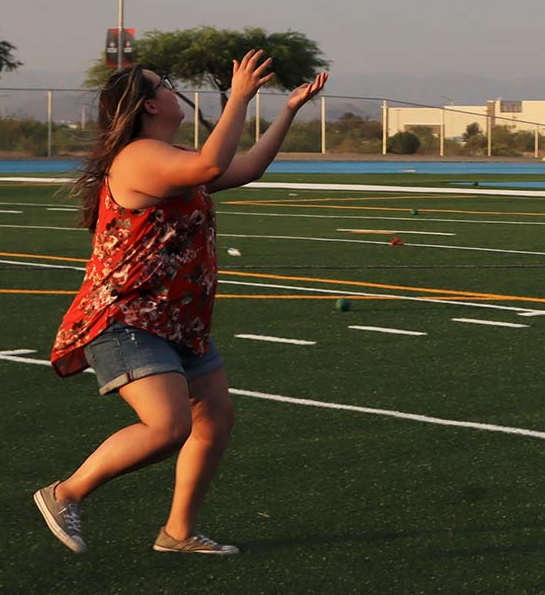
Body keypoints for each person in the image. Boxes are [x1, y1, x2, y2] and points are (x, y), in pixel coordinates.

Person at [34, 52, 327, 556]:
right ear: (149, 104)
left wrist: (289, 111)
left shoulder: (169, 156)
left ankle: (178, 532)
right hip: (128, 316)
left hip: (177, 320)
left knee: (214, 422)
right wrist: (238, 97)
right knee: (169, 427)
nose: (174, 90)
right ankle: (64, 493)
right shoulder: (139, 157)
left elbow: (245, 168)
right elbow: (212, 163)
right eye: (164, 85)